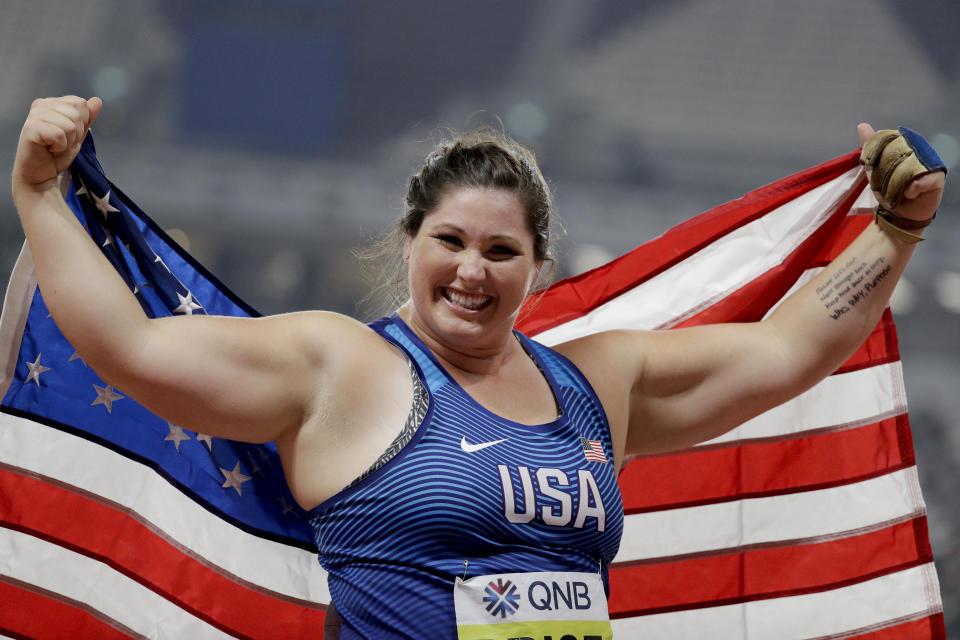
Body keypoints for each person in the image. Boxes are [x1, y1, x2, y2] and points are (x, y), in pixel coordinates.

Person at [11, 95, 946, 639]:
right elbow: (131, 349)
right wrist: (42, 196)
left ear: (538, 268)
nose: (471, 270)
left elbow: (789, 350)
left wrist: (896, 230)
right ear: (408, 242)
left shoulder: (599, 383)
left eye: (501, 251)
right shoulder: (341, 366)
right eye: (449, 241)